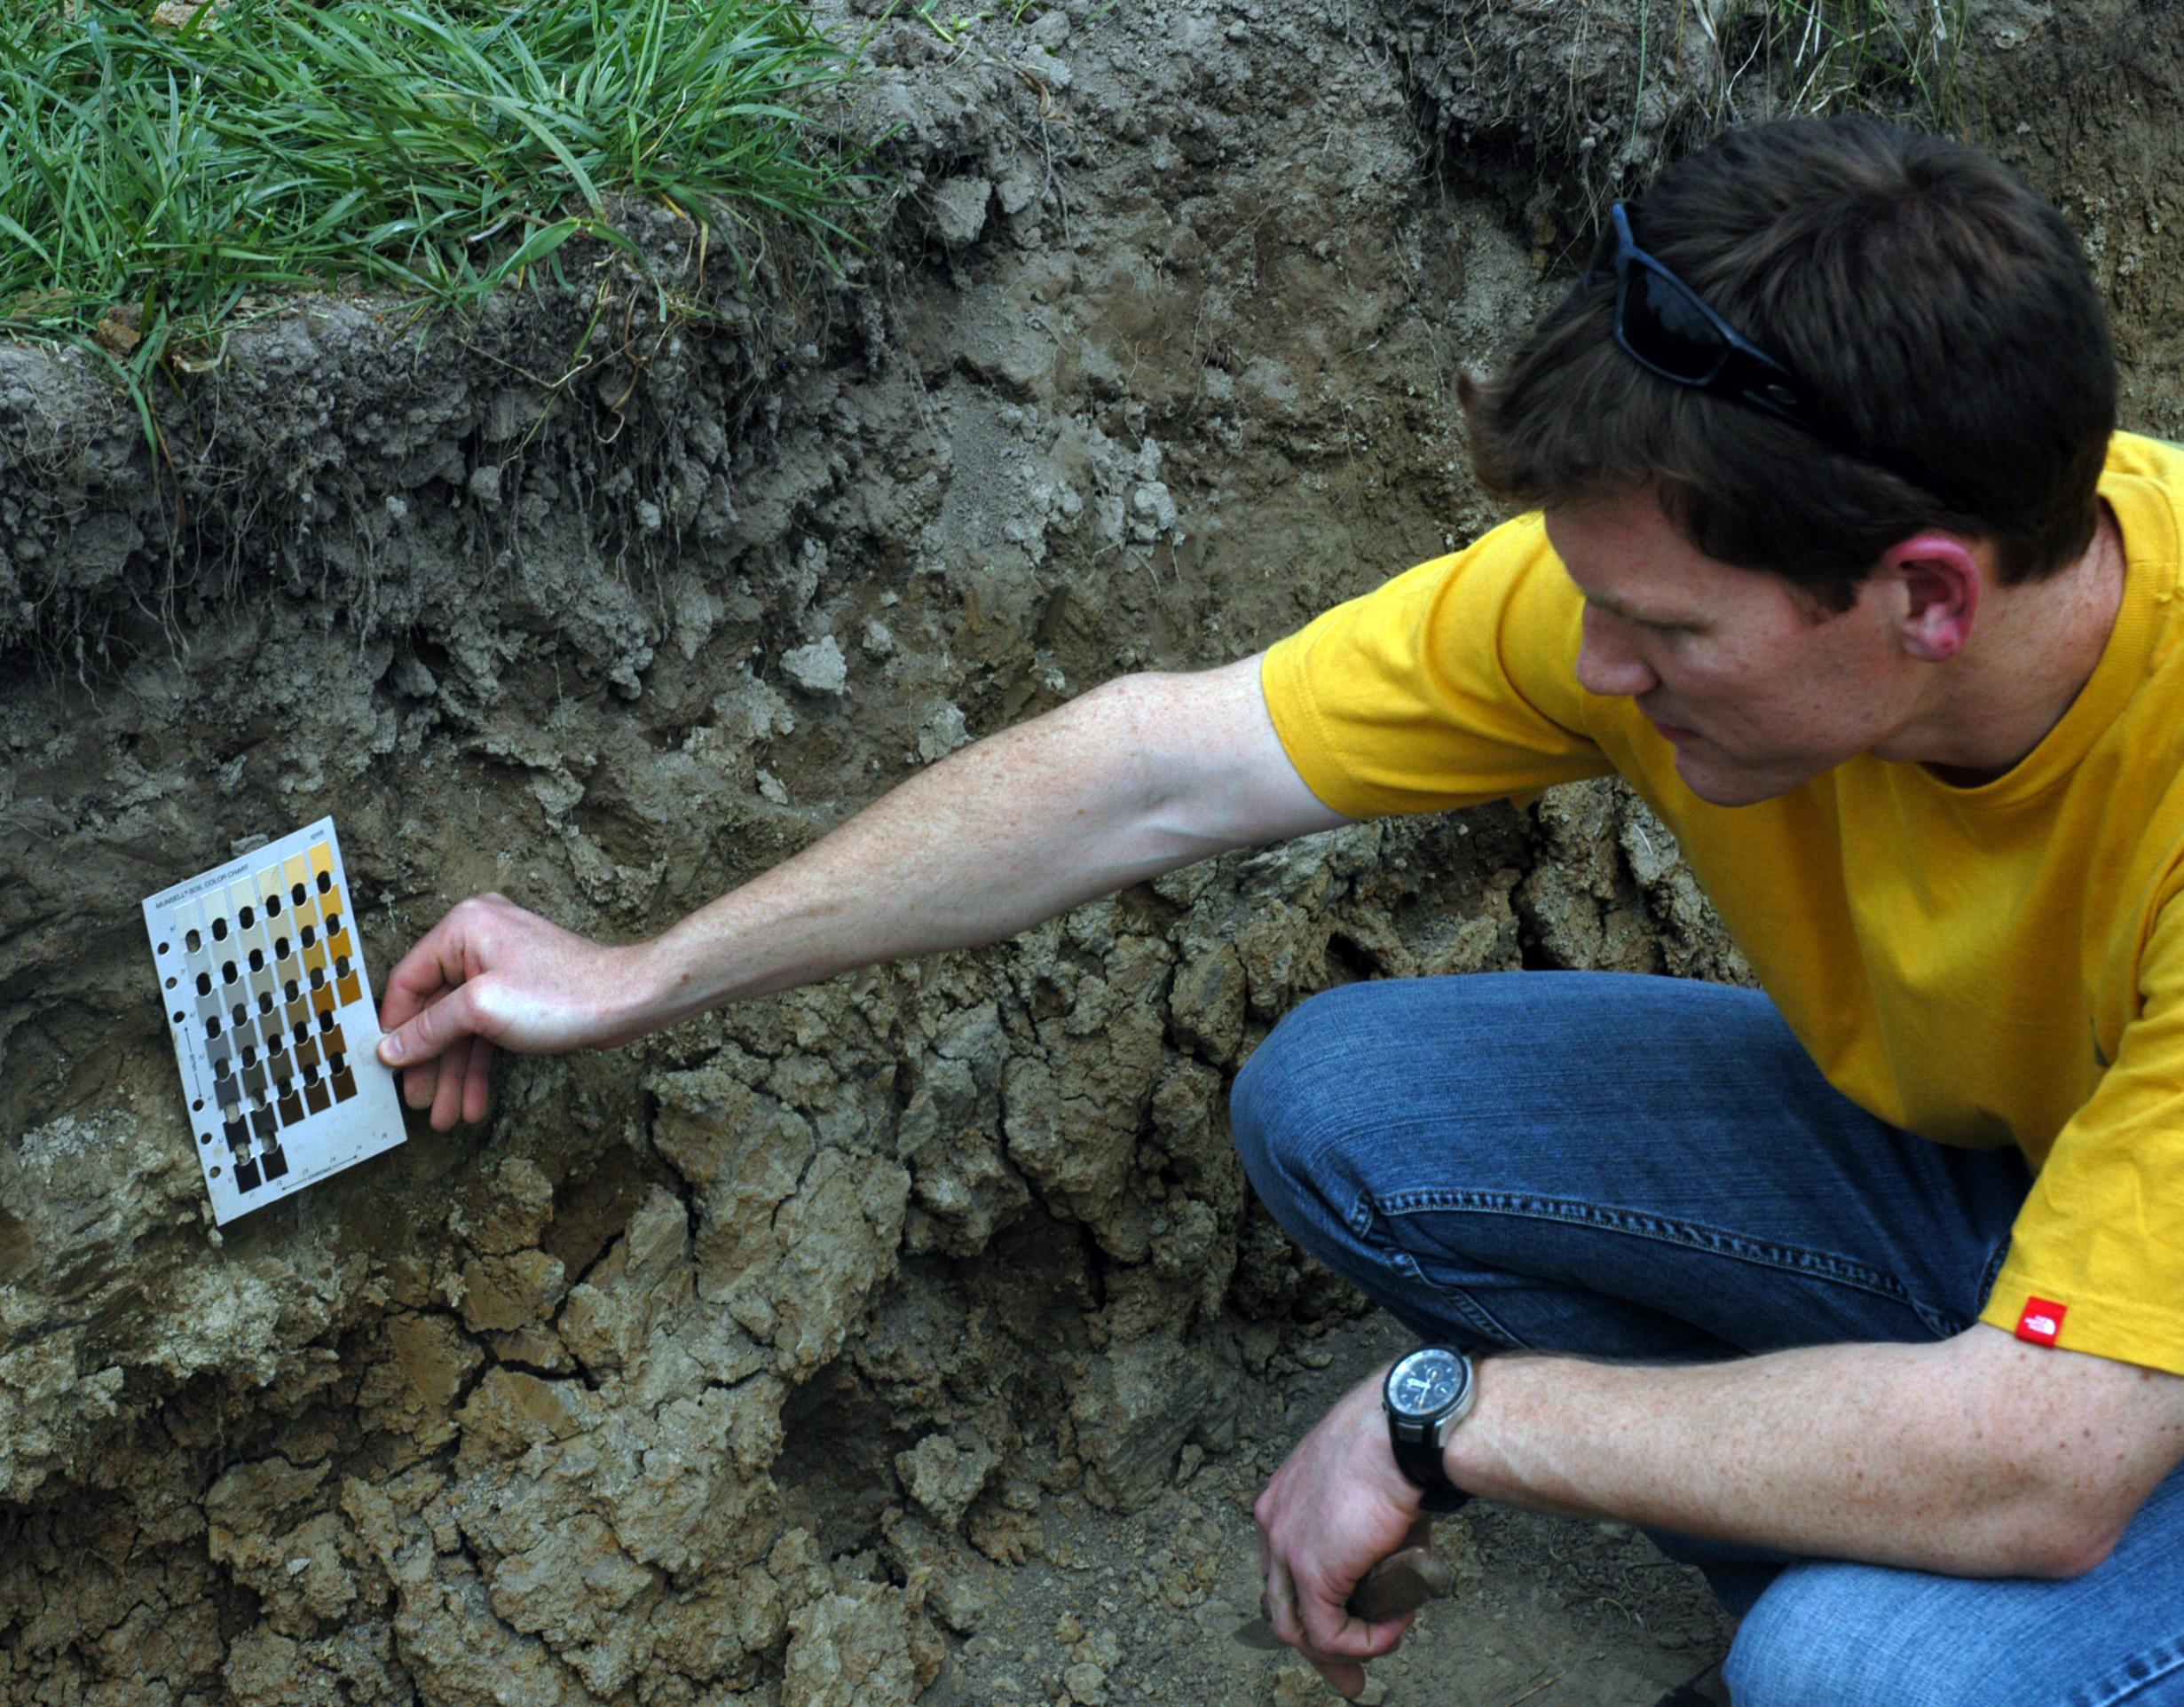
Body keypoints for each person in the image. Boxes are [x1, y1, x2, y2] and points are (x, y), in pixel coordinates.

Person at [375, 115, 2184, 1707]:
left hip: (2100, 1389)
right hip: (2058, 1223)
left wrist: (1458, 1421)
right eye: (1592, 603)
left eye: (1669, 635)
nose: (1594, 665)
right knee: (1356, 1107)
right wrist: (642, 970)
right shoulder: (1682, 578)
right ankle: (1833, 1543)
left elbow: (2051, 1451)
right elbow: (1158, 765)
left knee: (1857, 1670)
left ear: (1926, 598)